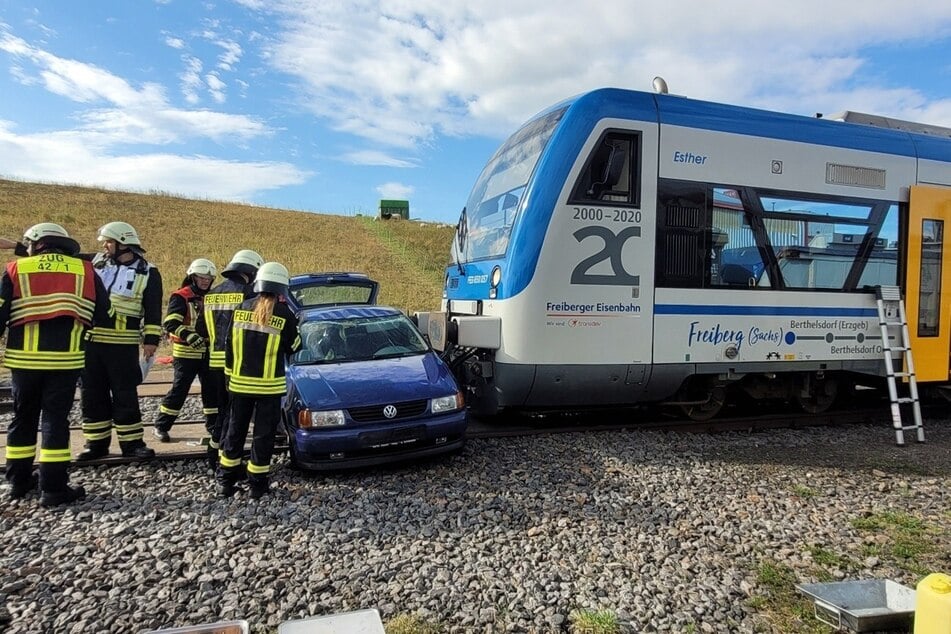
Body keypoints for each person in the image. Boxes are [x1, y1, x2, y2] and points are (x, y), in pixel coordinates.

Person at [1, 223, 113, 506]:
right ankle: (53, 488)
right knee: (54, 420)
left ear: (36, 244)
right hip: (65, 360)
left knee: (22, 417)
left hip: (23, 361)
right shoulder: (85, 271)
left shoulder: (16, 269)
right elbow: (106, 313)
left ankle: (18, 481)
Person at [76, 221, 162, 461]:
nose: (105, 246)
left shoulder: (148, 272)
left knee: (125, 395)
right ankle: (96, 444)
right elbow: (61, 253)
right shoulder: (94, 262)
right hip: (91, 342)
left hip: (122, 344)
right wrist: (18, 247)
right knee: (92, 395)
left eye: (109, 242)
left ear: (123, 243)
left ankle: (132, 444)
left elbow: (153, 310)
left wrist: (151, 340)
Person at [218, 262, 300, 499]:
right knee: (263, 436)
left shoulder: (241, 308)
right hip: (268, 387)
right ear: (281, 287)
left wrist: (228, 377)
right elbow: (295, 346)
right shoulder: (284, 315)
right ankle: (257, 486)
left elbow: (228, 347)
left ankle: (226, 482)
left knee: (235, 432)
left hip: (239, 384)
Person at [203, 249, 264, 468]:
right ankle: (224, 460)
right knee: (233, 414)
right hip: (236, 364)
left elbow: (202, 329)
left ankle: (214, 452)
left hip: (213, 363)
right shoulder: (248, 295)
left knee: (222, 410)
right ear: (251, 271)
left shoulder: (211, 295)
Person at [153, 258, 218, 442]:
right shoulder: (181, 296)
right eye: (202, 277)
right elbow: (170, 323)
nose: (206, 281)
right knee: (180, 389)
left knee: (211, 391)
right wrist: (189, 335)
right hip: (186, 353)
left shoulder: (213, 296)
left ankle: (213, 427)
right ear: (193, 277)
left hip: (208, 352)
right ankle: (161, 426)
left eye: (209, 278)